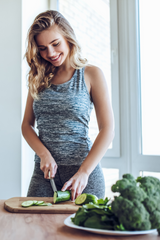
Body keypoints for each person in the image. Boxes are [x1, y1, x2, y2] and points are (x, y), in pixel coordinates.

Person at [21, 10, 115, 201]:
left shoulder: (91, 74)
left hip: (83, 174)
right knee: (35, 228)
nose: (51, 53)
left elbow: (108, 129)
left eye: (55, 44)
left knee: (81, 231)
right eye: (42, 48)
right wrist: (43, 154)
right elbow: (26, 125)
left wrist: (84, 172)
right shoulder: (37, 78)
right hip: (44, 175)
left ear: (68, 38)